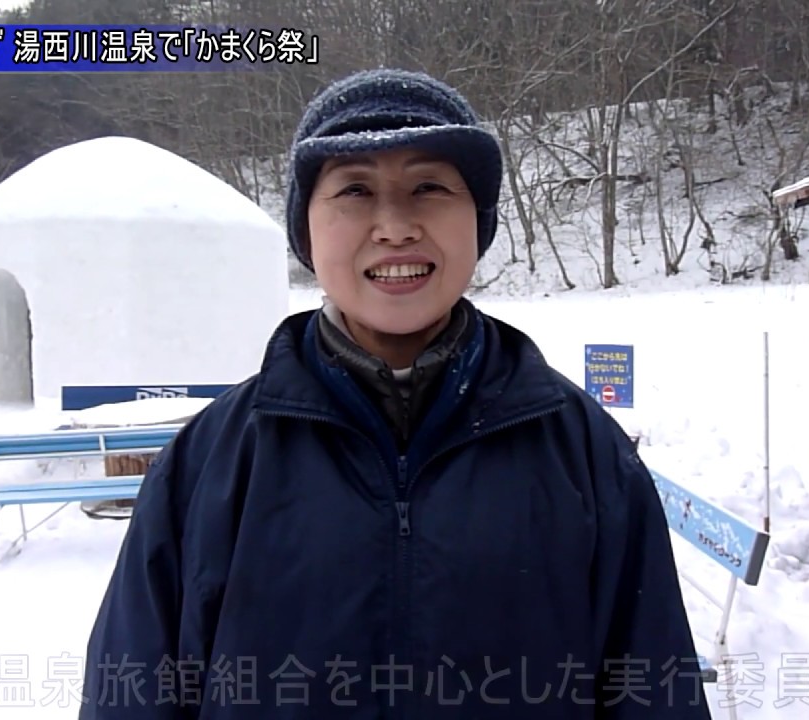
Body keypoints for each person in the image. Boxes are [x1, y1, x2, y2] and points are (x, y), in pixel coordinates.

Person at [79, 68, 711, 720]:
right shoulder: (212, 461)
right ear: (306, 230)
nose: (394, 227)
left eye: (429, 187)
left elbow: (655, 689)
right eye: (354, 190)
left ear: (479, 220)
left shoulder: (581, 452)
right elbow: (131, 693)